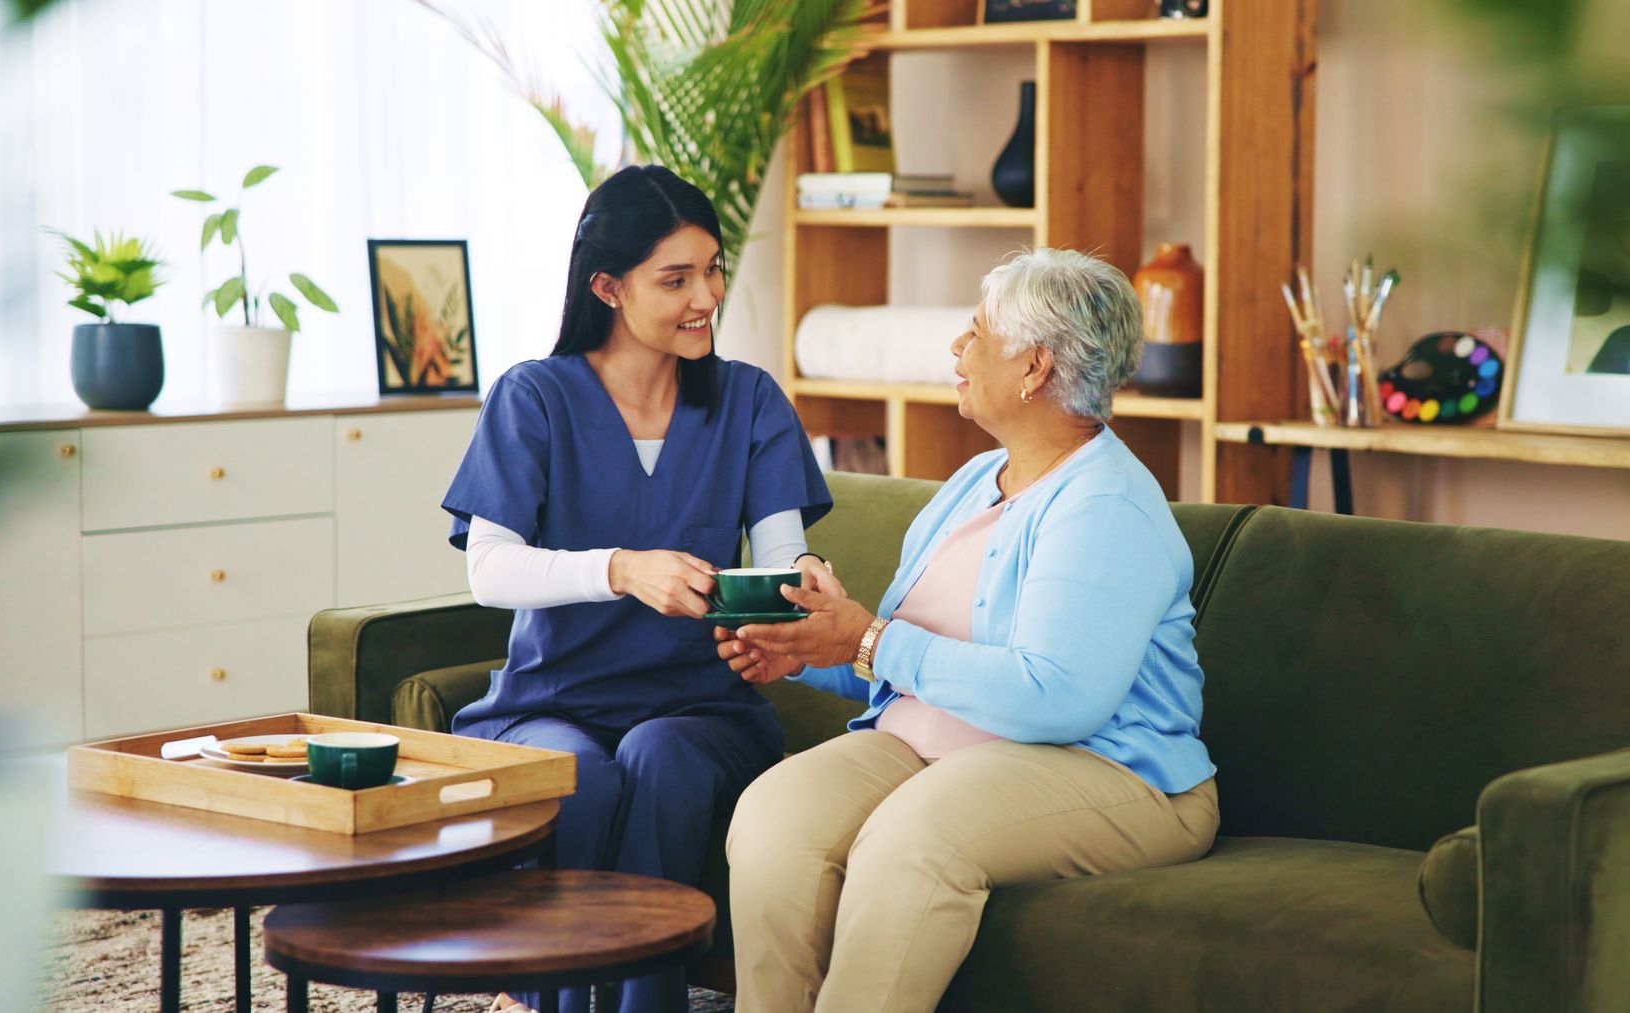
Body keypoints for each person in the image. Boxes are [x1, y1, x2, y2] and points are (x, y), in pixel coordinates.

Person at [717, 247, 1220, 1012]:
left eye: (978, 333)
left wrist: (869, 638)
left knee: (912, 839)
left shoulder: (1105, 505)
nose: (958, 348)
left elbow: (1056, 698)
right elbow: (897, 654)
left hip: (1111, 770)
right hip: (930, 747)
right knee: (775, 815)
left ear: (1034, 368)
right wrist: (805, 649)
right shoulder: (972, 482)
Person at [441, 164, 836, 1013]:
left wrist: (798, 596)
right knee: (577, 776)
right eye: (677, 278)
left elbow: (780, 558)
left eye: (714, 269)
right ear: (608, 287)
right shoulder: (533, 397)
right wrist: (620, 567)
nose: (708, 296)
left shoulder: (750, 401)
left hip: (702, 710)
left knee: (658, 757)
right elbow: (489, 570)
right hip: (554, 700)